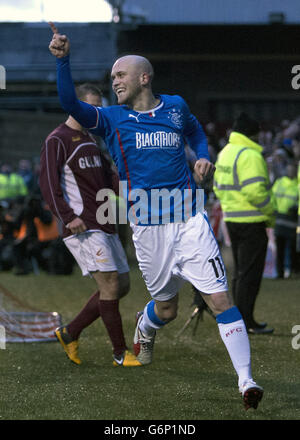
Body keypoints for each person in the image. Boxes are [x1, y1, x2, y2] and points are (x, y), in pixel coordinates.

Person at [48, 22, 264, 410]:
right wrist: (64, 62)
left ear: (143, 77)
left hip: (189, 220)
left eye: (120, 75)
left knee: (220, 298)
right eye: (112, 76)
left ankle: (246, 381)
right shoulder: (111, 118)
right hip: (148, 229)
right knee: (167, 308)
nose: (114, 81)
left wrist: (202, 156)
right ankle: (145, 329)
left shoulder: (177, 106)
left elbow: (196, 132)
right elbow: (71, 105)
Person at [39, 81, 141, 368]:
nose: (97, 112)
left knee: (121, 285)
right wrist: (68, 217)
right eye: (92, 107)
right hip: (83, 226)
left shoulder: (93, 140)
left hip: (105, 221)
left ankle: (70, 332)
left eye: (99, 107)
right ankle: (120, 353)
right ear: (78, 106)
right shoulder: (57, 139)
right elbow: (47, 184)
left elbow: (109, 178)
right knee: (109, 285)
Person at [213, 112, 275, 335]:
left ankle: (241, 319)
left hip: (232, 219)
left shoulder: (226, 152)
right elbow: (257, 192)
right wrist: (271, 213)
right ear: (253, 134)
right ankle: (246, 321)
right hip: (252, 221)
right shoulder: (251, 155)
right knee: (250, 275)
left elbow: (218, 187)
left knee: (240, 273)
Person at [272, 162, 299, 278]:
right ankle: (280, 272)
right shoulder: (279, 182)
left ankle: (294, 270)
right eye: (289, 169)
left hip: (293, 222)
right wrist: (274, 210)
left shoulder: (297, 185)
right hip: (279, 220)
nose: (291, 172)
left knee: (294, 249)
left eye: (293, 170)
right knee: (280, 249)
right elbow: (272, 197)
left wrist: (296, 208)